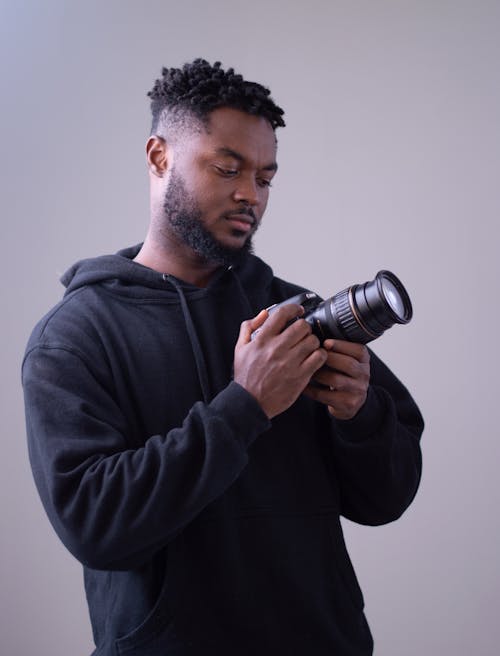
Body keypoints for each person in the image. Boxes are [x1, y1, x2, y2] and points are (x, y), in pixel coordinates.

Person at [22, 59, 424, 656]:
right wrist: (246, 406)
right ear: (160, 156)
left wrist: (360, 416)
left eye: (265, 177)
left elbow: (385, 499)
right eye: (227, 167)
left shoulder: (293, 315)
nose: (250, 194)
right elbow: (97, 527)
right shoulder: (75, 336)